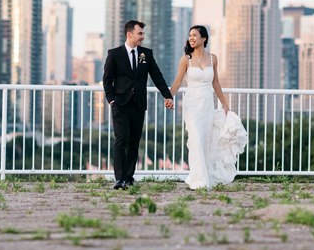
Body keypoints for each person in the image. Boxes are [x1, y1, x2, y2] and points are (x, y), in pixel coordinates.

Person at [169, 25, 247, 190]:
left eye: (195, 35)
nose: (191, 38)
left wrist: (224, 103)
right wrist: (169, 96)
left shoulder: (213, 59)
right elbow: (177, 82)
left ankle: (203, 175)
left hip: (207, 105)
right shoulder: (185, 60)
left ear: (203, 39)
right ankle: (200, 180)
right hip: (192, 105)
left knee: (205, 141)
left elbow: (216, 82)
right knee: (196, 139)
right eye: (189, 35)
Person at [103, 20, 174, 190]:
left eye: (143, 33)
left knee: (134, 142)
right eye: (140, 33)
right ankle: (119, 178)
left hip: (138, 104)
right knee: (121, 140)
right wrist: (112, 100)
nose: (143, 36)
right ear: (129, 34)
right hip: (120, 104)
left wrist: (168, 95)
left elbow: (157, 76)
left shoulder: (146, 54)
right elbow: (107, 80)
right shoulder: (114, 54)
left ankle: (129, 177)